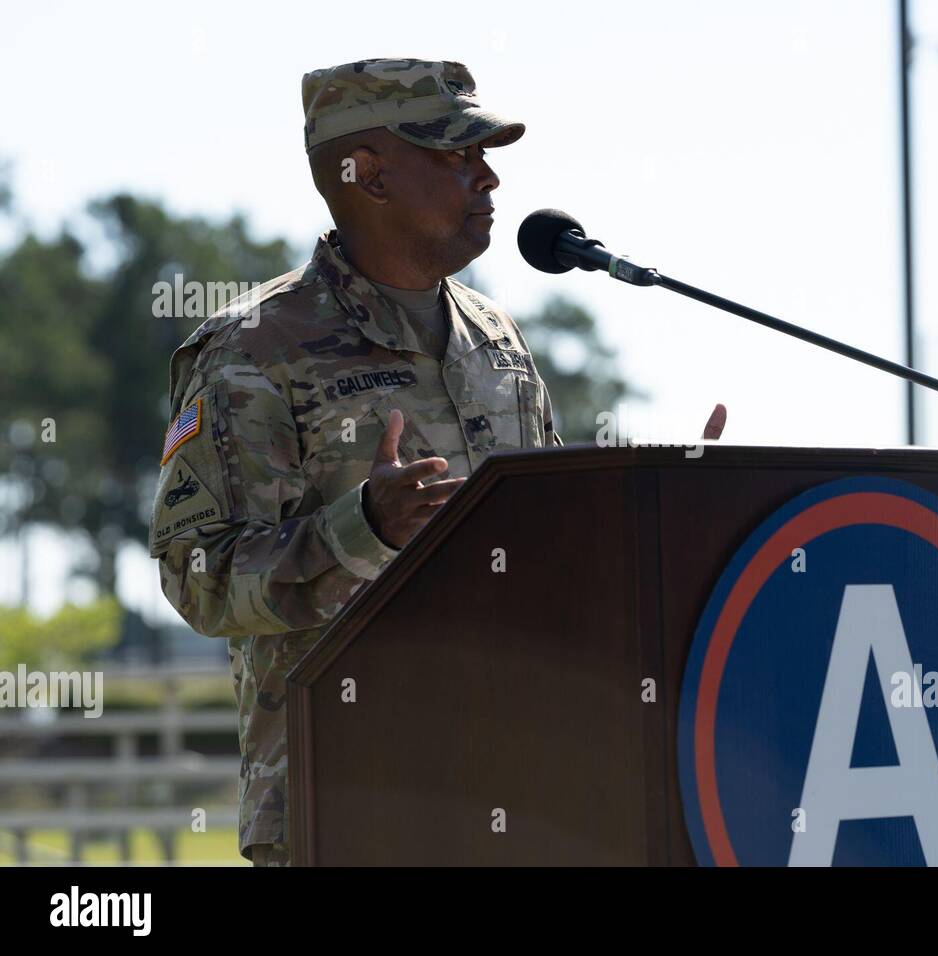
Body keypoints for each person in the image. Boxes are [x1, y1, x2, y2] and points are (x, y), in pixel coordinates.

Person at [149, 58, 724, 866]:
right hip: (349, 803)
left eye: (485, 155)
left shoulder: (499, 342)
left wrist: (659, 507)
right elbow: (196, 574)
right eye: (457, 156)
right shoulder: (252, 352)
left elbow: (545, 553)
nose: (488, 178)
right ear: (369, 174)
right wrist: (363, 528)